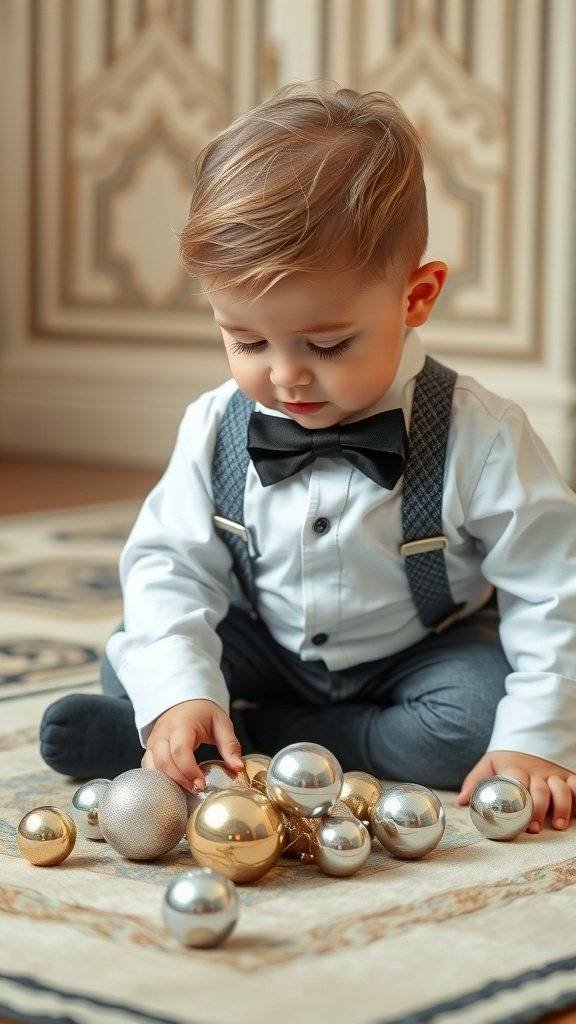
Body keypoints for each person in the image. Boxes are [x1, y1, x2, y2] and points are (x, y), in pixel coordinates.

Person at [40, 81, 576, 835]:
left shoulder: (480, 434)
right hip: (269, 640)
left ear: (416, 298)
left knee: (479, 719)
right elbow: (170, 565)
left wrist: (534, 740)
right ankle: (201, 722)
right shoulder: (213, 425)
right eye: (246, 341)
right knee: (140, 663)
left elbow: (554, 586)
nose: (286, 376)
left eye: (326, 344)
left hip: (415, 655)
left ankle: (256, 740)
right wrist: (183, 688)